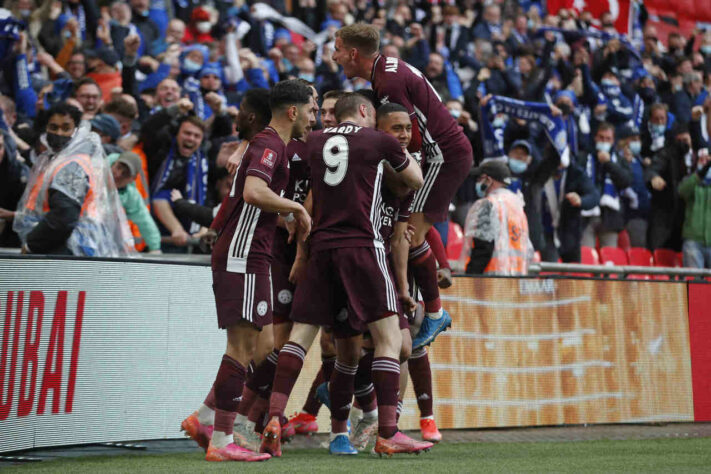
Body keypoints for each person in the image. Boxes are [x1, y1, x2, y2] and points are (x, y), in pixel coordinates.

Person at [261, 93, 428, 457]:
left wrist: (302, 253)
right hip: (363, 248)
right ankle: (388, 431)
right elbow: (414, 178)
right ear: (367, 112)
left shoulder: (317, 140)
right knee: (389, 340)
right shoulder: (378, 141)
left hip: (321, 248)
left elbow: (309, 197)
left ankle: (274, 417)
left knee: (299, 337)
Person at [181, 79, 313, 463]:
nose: (314, 116)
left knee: (263, 346)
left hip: (250, 251)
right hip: (242, 253)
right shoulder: (271, 144)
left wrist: (282, 214)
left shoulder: (269, 144)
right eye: (312, 108)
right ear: (293, 111)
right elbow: (254, 192)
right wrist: (297, 208)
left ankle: (206, 420)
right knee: (241, 349)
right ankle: (221, 440)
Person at [333, 23, 474, 349]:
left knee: (407, 234)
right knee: (409, 230)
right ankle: (435, 277)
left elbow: (407, 140)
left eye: (338, 49)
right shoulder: (388, 68)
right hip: (444, 153)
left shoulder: (388, 83)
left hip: (441, 156)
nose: (334, 55)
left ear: (354, 53)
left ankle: (432, 310)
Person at [13, 103, 133, 257]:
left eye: (66, 128)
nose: (59, 133)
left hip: (71, 247)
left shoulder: (72, 165)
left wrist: (32, 245)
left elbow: (64, 216)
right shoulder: (58, 159)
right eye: (53, 127)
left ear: (76, 131)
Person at [461, 160, 533, 275]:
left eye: (480, 179)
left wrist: (471, 276)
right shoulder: (518, 206)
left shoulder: (488, 205)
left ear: (488, 180)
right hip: (516, 279)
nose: (477, 183)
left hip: (491, 280)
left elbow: (483, 248)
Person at [579, 122, 632, 248]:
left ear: (613, 141)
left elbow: (626, 181)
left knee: (609, 260)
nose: (604, 141)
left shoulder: (619, 160)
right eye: (601, 138)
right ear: (595, 138)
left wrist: (608, 163)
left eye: (608, 139)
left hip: (610, 217)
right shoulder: (584, 157)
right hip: (586, 215)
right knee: (586, 257)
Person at [109, 151, 161, 254]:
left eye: (125, 173)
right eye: (118, 167)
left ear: (132, 179)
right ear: (114, 163)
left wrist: (155, 248)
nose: (118, 175)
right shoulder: (97, 171)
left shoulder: (130, 195)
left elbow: (145, 221)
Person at [678, 151, 711, 268]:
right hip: (693, 241)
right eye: (702, 160)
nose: (706, 164)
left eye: (708, 161)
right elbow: (682, 191)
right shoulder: (690, 181)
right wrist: (699, 175)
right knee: (695, 283)